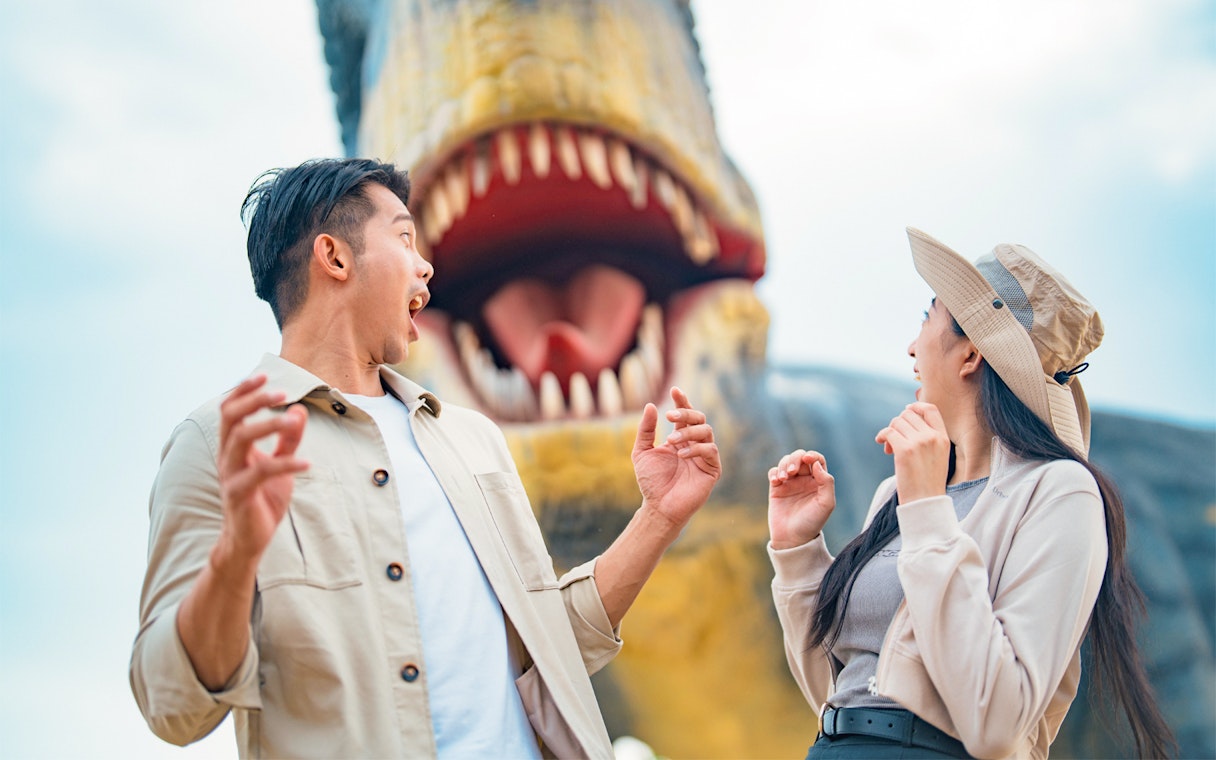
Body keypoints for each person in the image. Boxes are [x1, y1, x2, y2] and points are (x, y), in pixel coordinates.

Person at [129, 158, 721, 759]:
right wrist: (236, 555)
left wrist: (659, 518)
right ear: (335, 258)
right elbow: (172, 704)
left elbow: (549, 653)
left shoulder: (472, 439)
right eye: (405, 238)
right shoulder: (217, 444)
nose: (426, 264)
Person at [766, 228, 1173, 759]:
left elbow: (996, 721)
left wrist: (927, 510)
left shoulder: (1060, 493)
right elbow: (838, 696)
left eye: (927, 317)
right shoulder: (899, 494)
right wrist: (798, 550)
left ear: (971, 355)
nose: (912, 346)